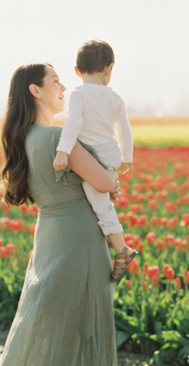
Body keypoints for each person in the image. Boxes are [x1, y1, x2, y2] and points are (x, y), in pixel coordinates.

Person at [0, 63, 139, 366]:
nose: (65, 86)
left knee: (39, 333)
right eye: (56, 81)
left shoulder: (24, 138)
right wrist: (113, 176)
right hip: (81, 239)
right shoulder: (56, 137)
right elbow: (102, 181)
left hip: (50, 238)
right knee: (92, 336)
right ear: (36, 90)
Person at [52, 40, 137, 282]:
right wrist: (126, 156)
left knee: (100, 204)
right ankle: (119, 245)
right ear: (109, 68)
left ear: (77, 71)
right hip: (109, 153)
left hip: (92, 153)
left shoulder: (79, 93)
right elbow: (124, 128)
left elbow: (73, 123)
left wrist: (62, 151)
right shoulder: (115, 96)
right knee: (102, 197)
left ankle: (122, 250)